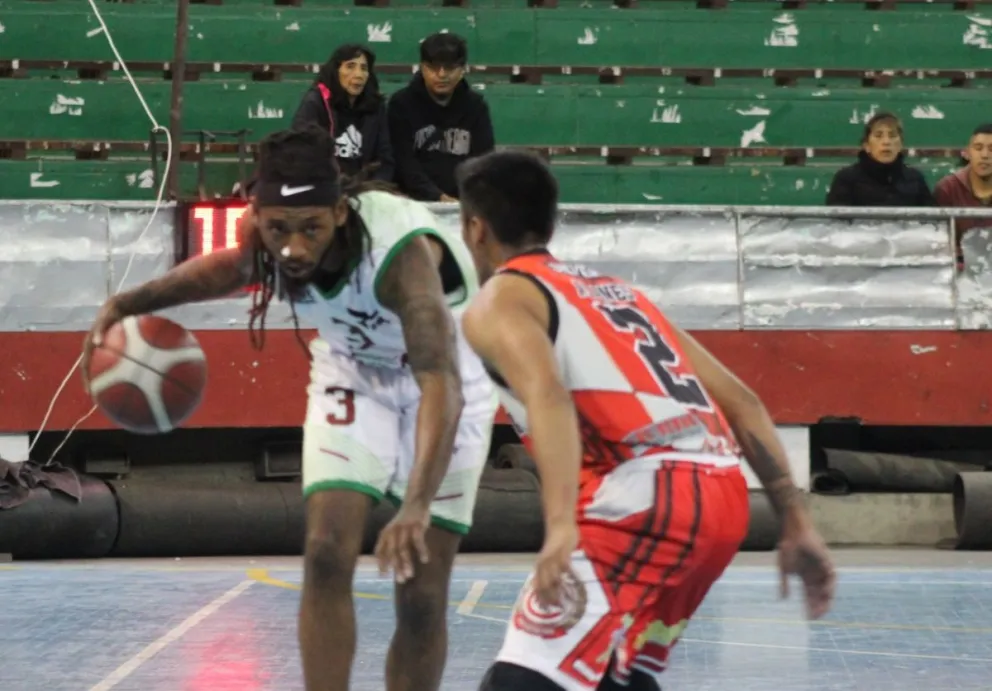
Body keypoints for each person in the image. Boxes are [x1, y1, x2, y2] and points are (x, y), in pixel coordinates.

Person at [81, 125, 496, 691]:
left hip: (444, 383)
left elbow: (441, 384)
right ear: (257, 215)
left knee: (421, 592)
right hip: (352, 371)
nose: (293, 248)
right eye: (278, 229)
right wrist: (126, 302)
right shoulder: (267, 236)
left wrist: (417, 505)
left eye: (311, 229)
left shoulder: (402, 258)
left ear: (341, 214)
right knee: (325, 552)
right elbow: (227, 270)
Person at [455, 150, 836, 691]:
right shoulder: (621, 297)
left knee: (521, 679)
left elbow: (549, 396)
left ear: (474, 228)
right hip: (723, 498)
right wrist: (795, 521)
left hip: (641, 496)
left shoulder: (500, 299)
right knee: (620, 674)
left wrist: (561, 526)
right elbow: (744, 401)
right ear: (551, 222)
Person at [387, 32, 494, 203]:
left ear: (462, 70)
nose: (442, 75)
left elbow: (482, 162)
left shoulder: (476, 106)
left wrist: (464, 199)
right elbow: (404, 162)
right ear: (422, 68)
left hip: (463, 204)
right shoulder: (401, 104)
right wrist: (437, 197)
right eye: (433, 68)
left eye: (450, 68)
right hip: (412, 204)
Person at [291, 43, 394, 182]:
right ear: (336, 71)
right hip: (327, 188)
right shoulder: (316, 103)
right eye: (350, 66)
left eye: (364, 68)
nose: (358, 75)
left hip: (367, 189)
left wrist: (375, 188)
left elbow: (385, 159)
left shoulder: (376, 107)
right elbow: (304, 154)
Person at [826, 111, 934, 207]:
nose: (886, 142)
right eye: (878, 136)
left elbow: (931, 223)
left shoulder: (915, 179)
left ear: (901, 144)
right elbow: (836, 225)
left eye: (892, 136)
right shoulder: (846, 179)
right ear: (866, 145)